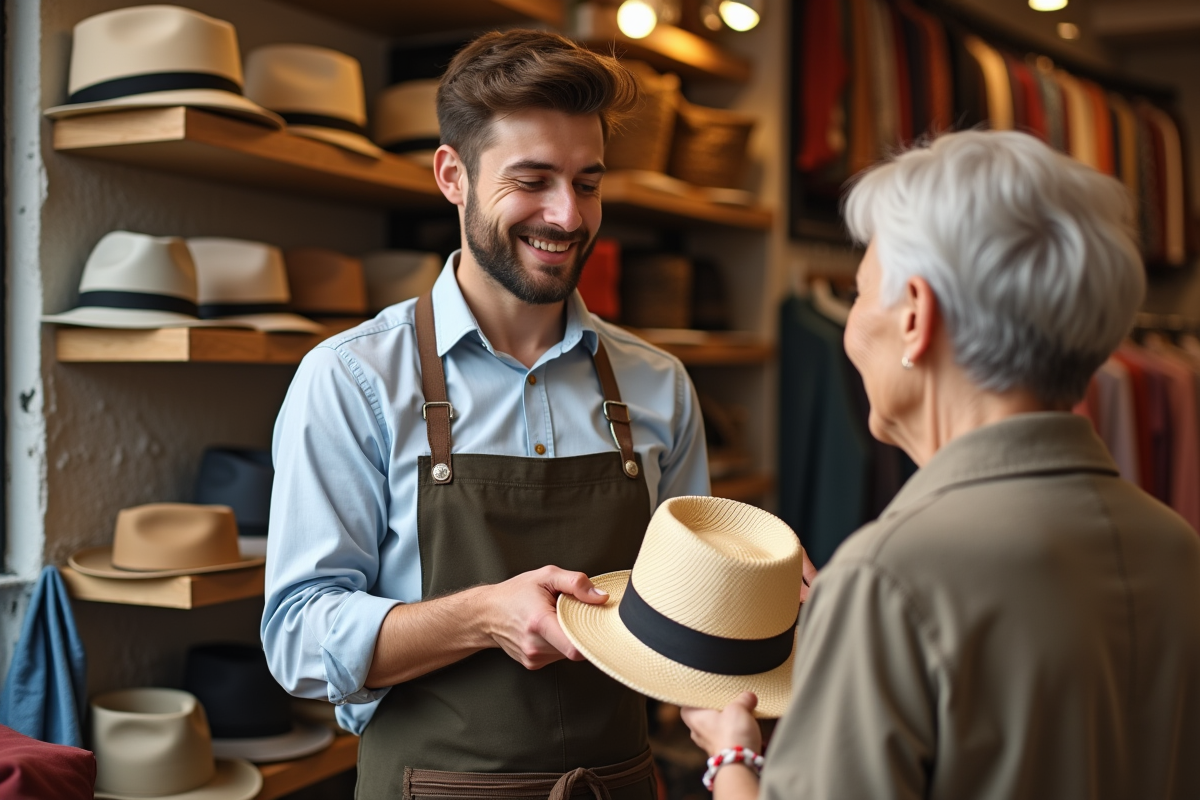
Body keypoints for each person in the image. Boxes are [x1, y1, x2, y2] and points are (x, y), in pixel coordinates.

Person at [261, 30, 713, 799]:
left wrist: (755, 599)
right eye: (532, 180)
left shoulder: (659, 384)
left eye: (588, 183)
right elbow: (299, 640)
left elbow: (686, 620)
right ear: (453, 176)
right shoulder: (352, 379)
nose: (567, 216)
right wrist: (481, 616)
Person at [683, 130, 1200, 799]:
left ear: (915, 317)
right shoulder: (1176, 547)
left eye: (859, 293)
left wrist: (731, 755)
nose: (851, 328)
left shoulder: (889, 578)